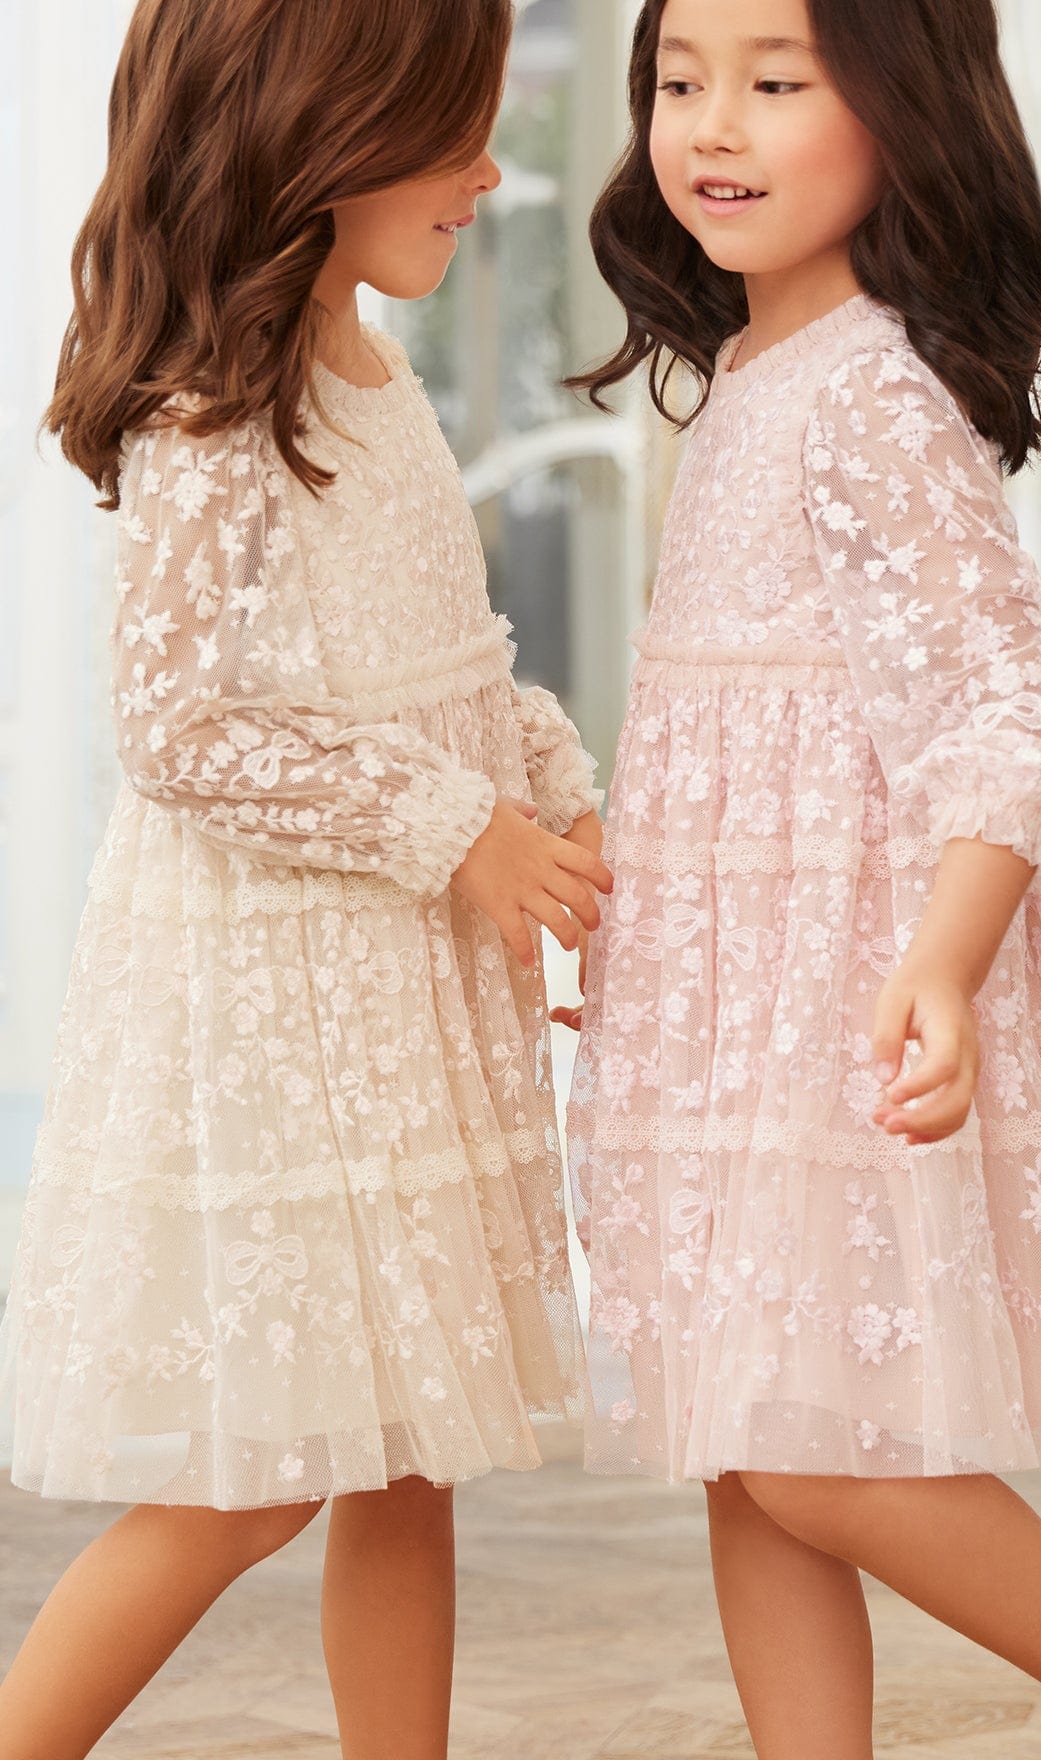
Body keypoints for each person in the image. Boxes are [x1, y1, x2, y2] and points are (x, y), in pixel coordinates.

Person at [560, 1, 1041, 1755]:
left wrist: (948, 966)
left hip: (835, 999)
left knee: (809, 1448)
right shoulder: (753, 380)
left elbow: (1005, 713)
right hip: (731, 1007)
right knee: (746, 1445)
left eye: (775, 80)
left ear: (903, 110)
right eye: (680, 82)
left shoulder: (873, 397)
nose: (712, 124)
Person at [0, 2, 610, 1755]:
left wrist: (556, 801)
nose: (490, 169)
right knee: (254, 1482)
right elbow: (182, 728)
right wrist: (459, 831)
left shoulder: (367, 364)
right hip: (292, 993)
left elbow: (447, 664)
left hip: (391, 992)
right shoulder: (218, 408)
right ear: (320, 125)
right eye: (452, 127)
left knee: (410, 1453)